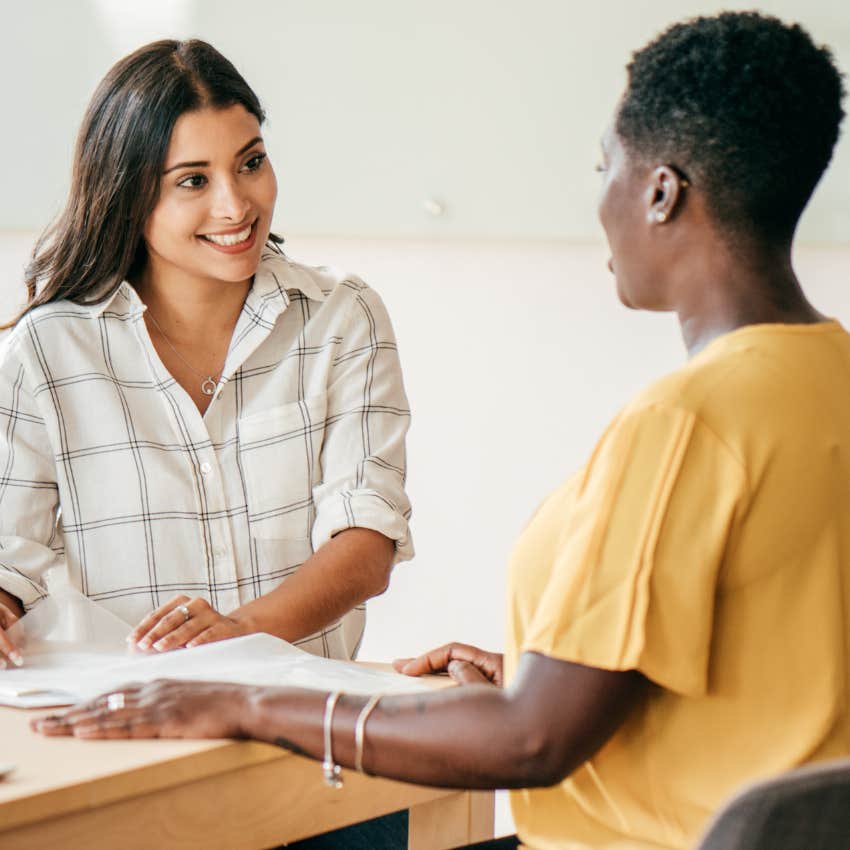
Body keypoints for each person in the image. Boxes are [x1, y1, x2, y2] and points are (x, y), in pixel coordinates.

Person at [33, 11, 850, 850]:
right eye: (191, 180)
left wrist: (244, 699)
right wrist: (542, 672)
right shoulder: (831, 378)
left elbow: (533, 742)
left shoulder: (681, 427)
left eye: (604, 166)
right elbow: (772, 659)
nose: (597, 196)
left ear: (661, 192)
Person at [0, 40, 413, 669]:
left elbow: (366, 538)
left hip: (300, 720)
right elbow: (8, 554)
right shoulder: (50, 350)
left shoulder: (341, 317)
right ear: (127, 194)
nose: (236, 204)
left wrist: (238, 630)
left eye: (250, 163)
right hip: (124, 723)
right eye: (193, 180)